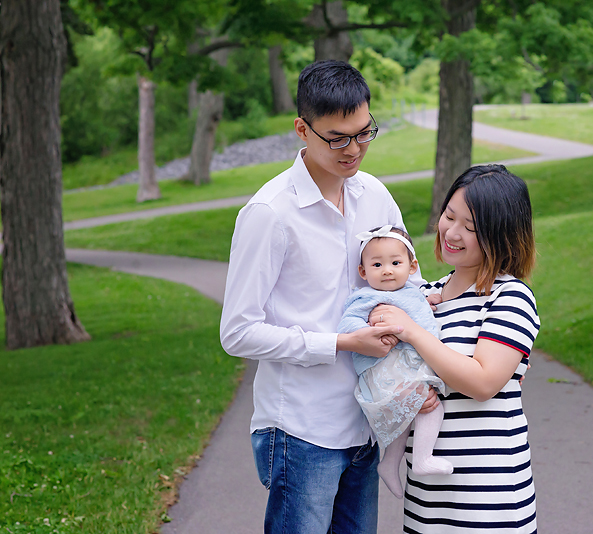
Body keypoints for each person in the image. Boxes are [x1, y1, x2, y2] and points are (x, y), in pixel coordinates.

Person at [219, 60, 437, 534]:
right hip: (302, 427)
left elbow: (408, 282)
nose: (354, 149)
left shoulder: (375, 195)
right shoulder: (269, 214)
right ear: (302, 129)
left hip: (367, 420)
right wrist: (342, 343)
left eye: (363, 133)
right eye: (337, 138)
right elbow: (237, 333)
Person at [370, 164, 540, 533]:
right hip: (428, 499)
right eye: (449, 215)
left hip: (488, 498)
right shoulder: (423, 296)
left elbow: (483, 383)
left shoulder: (509, 297)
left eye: (471, 227)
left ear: (501, 235)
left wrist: (413, 332)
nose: (452, 232)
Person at [338, 225, 452, 500]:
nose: (387, 270)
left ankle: (389, 463)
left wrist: (428, 301)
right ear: (363, 272)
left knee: (409, 414)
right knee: (430, 406)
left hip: (406, 365)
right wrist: (367, 330)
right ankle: (423, 458)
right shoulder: (367, 297)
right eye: (377, 264)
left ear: (412, 267)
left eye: (395, 263)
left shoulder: (412, 294)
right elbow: (347, 322)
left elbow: (416, 309)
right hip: (386, 368)